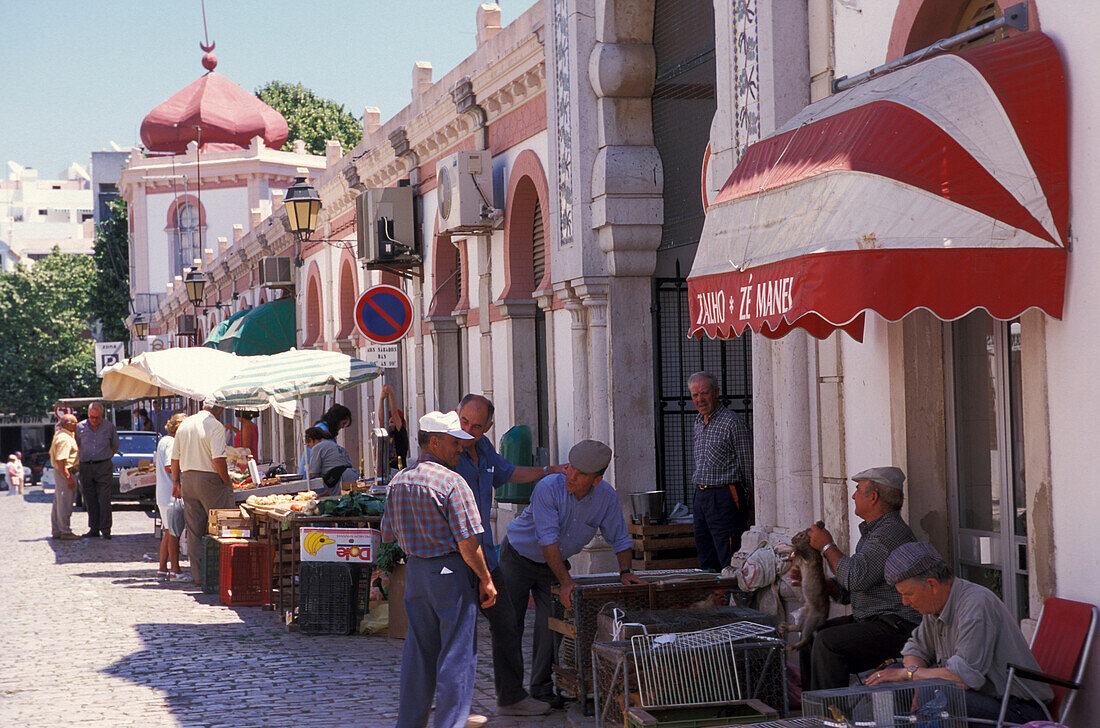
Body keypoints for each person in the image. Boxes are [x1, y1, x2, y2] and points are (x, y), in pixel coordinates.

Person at [495, 439, 644, 708]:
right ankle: (510, 694)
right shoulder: (548, 488)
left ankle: (541, 689)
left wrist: (626, 571)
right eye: (571, 468)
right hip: (517, 556)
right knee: (509, 624)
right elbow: (547, 540)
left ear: (596, 480)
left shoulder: (606, 497)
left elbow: (620, 539)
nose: (571, 476)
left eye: (580, 474)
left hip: (554, 564)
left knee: (551, 626)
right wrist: (566, 583)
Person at [380, 410, 496, 728]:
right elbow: (468, 543)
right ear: (434, 442)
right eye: (454, 442)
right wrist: (486, 579)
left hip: (416, 573)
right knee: (457, 655)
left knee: (418, 654)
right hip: (450, 572)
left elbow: (388, 534)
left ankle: (410, 723)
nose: (461, 448)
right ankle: (450, 724)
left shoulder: (398, 481)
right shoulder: (451, 482)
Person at [453, 393, 566, 715]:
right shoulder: (447, 451)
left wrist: (548, 470)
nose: (468, 430)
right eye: (464, 421)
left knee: (505, 623)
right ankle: (447, 701)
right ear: (456, 415)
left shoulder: (485, 449)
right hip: (456, 558)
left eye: (476, 425)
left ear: (488, 426)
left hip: (486, 555)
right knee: (454, 632)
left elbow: (508, 472)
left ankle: (512, 697)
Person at [866, 542, 1052, 725]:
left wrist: (910, 675)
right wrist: (914, 680)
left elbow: (962, 679)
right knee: (886, 680)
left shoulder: (975, 605)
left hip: (1017, 708)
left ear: (932, 585)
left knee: (935, 692)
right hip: (978, 698)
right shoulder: (936, 605)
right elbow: (916, 649)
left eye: (908, 594)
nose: (905, 602)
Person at [798, 466, 922, 690]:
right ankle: (813, 708)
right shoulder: (874, 532)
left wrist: (827, 546)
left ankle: (830, 714)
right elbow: (852, 589)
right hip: (872, 621)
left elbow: (854, 577)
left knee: (828, 643)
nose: (853, 495)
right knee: (810, 636)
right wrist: (821, 586)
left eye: (858, 490)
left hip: (896, 627)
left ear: (873, 497)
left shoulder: (889, 533)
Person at [688, 371, 753, 572]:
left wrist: (750, 502)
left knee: (729, 557)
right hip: (701, 497)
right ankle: (713, 600)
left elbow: (748, 464)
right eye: (695, 395)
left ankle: (731, 600)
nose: (700, 399)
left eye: (704, 393)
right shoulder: (698, 423)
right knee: (705, 557)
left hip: (724, 497)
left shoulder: (732, 422)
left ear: (716, 392)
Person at [171, 399, 233, 582]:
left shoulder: (185, 424)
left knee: (194, 530)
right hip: (209, 480)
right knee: (222, 526)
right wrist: (226, 480)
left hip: (188, 479)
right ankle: (222, 574)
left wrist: (176, 481)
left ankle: (198, 575)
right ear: (220, 409)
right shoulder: (215, 426)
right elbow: (218, 459)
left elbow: (175, 459)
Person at [74, 402, 120, 539]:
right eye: (92, 417)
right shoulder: (80, 427)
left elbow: (115, 445)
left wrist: (106, 456)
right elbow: (76, 445)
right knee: (89, 498)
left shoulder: (109, 427)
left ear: (102, 415)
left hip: (103, 466)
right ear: (88, 415)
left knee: (104, 498)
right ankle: (93, 528)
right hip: (86, 466)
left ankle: (106, 529)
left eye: (97, 417)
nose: (94, 421)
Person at [156, 413, 190, 582]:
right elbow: (170, 466)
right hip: (171, 494)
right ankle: (176, 570)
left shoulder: (163, 441)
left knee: (168, 533)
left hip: (164, 494)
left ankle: (162, 569)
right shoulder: (171, 442)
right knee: (174, 534)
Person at [48, 414, 80, 538]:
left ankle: (57, 530)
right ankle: (65, 531)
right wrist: (68, 477)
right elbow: (61, 460)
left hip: (61, 472)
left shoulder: (60, 435)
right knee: (65, 502)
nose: (77, 425)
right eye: (75, 423)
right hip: (65, 472)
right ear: (68, 424)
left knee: (59, 502)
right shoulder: (65, 439)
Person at [304, 425, 359, 495]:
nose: (309, 447)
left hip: (340, 479)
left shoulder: (317, 447)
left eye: (308, 444)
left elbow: (313, 474)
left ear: (311, 440)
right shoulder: (334, 445)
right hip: (353, 475)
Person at [378, 384, 409, 470]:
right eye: (389, 417)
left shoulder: (401, 431)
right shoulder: (387, 432)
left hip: (399, 469)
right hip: (388, 470)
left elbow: (395, 413)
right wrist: (381, 399)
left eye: (394, 418)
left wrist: (390, 393)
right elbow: (381, 419)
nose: (391, 418)